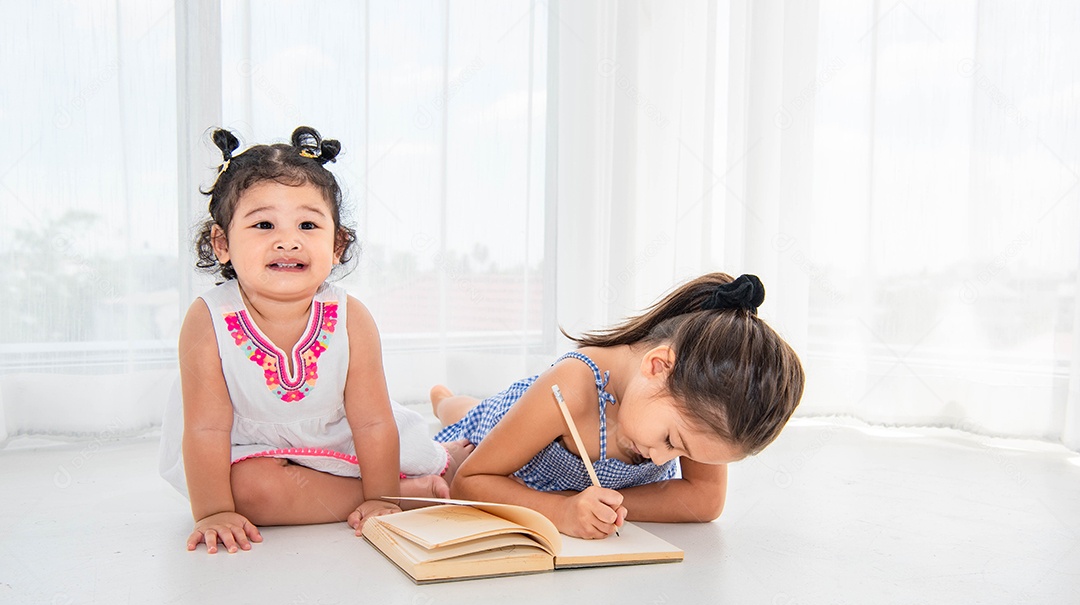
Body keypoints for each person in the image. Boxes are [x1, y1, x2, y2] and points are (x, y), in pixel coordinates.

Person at [159, 126, 471, 554]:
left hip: (342, 436)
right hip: (251, 447)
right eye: (264, 224)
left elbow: (373, 423)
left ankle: (424, 466)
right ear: (222, 242)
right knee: (249, 495)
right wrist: (214, 510)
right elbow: (207, 427)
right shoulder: (208, 319)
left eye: (308, 224)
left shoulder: (349, 317)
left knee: (464, 468)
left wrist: (383, 498)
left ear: (337, 243)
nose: (288, 240)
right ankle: (412, 493)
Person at [430, 272, 804, 539]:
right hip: (506, 421)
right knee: (467, 413)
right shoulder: (572, 390)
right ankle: (444, 400)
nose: (662, 461)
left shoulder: (706, 404)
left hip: (550, 447)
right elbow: (470, 482)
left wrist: (605, 505)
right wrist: (560, 510)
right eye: (672, 441)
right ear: (657, 366)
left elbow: (705, 500)